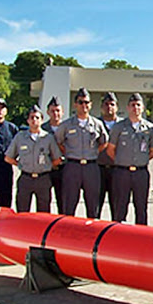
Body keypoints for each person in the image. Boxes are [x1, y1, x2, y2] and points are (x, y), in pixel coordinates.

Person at [55, 88, 108, 218]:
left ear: (90, 105)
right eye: (80, 102)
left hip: (91, 167)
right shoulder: (66, 125)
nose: (84, 105)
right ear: (75, 104)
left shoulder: (97, 124)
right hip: (73, 166)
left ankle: (92, 233)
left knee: (93, 204)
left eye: (86, 102)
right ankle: (68, 233)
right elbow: (58, 142)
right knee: (70, 203)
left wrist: (94, 152)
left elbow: (104, 142)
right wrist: (68, 153)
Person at [106, 93, 153, 224]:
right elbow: (110, 149)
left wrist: (141, 160)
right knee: (120, 207)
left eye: (138, 105)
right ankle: (118, 237)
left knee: (141, 207)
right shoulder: (118, 127)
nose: (135, 108)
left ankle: (141, 238)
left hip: (141, 173)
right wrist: (122, 161)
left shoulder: (150, 128)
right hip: (121, 172)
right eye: (132, 105)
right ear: (128, 107)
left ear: (143, 108)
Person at [4, 105, 62, 212]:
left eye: (37, 117)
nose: (34, 120)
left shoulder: (48, 138)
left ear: (42, 120)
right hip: (26, 179)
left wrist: (48, 166)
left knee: (44, 213)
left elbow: (57, 158)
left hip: (43, 179)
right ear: (27, 120)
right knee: (22, 211)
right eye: (32, 118)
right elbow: (8, 157)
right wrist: (20, 164)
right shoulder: (20, 137)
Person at [97, 92, 123, 218]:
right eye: (106, 104)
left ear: (117, 107)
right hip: (98, 169)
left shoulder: (124, 126)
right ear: (101, 107)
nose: (109, 107)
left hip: (117, 170)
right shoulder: (95, 124)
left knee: (117, 206)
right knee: (95, 206)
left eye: (112, 104)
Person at [42, 95, 65, 213]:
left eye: (58, 110)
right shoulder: (42, 129)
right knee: (45, 200)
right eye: (52, 111)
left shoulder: (68, 127)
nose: (55, 113)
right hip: (46, 170)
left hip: (63, 169)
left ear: (62, 112)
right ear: (47, 112)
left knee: (63, 200)